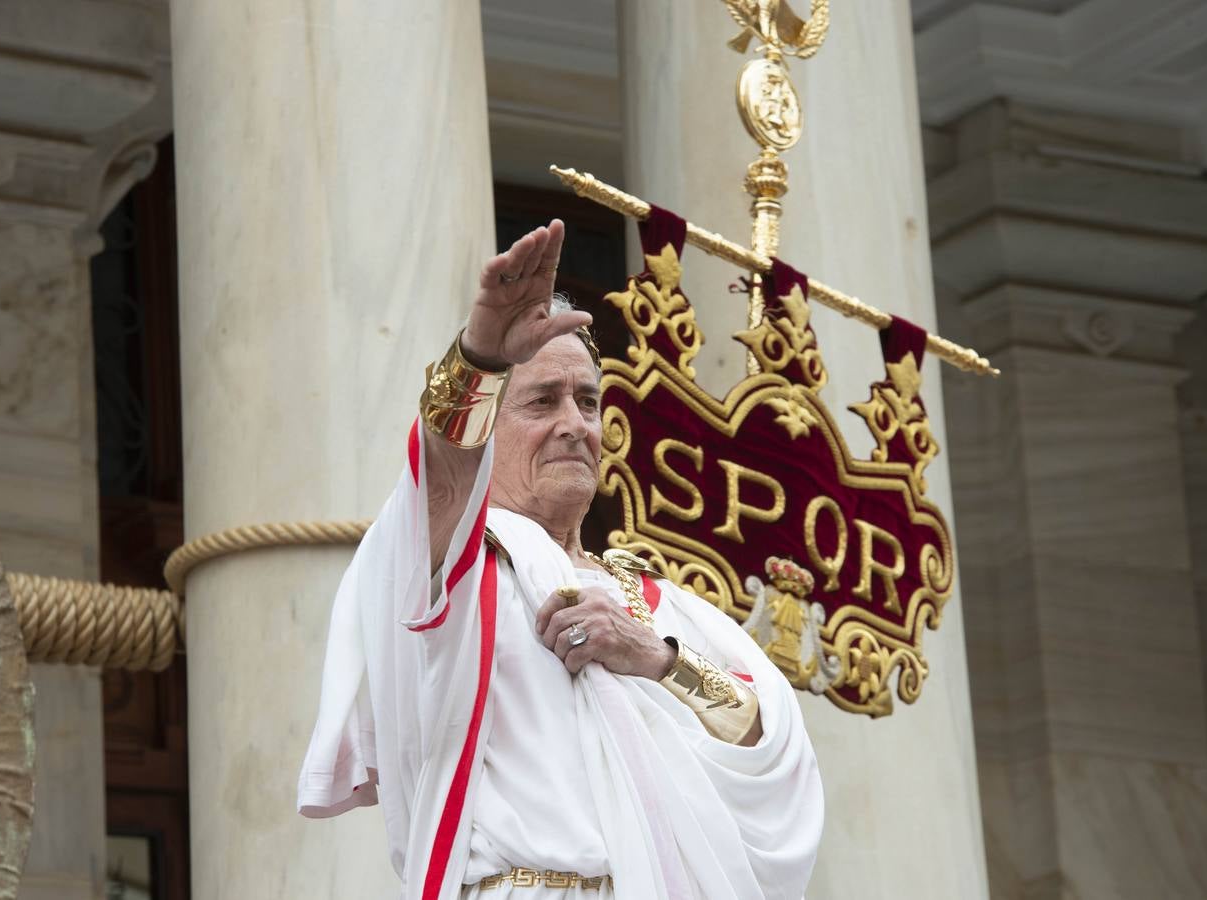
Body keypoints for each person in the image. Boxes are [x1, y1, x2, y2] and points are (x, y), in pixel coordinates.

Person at [297, 220, 823, 899]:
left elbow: (769, 743)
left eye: (588, 401)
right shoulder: (452, 568)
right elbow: (442, 477)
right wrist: (482, 357)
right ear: (491, 427)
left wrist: (656, 658)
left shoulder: (667, 604)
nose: (574, 423)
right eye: (542, 401)